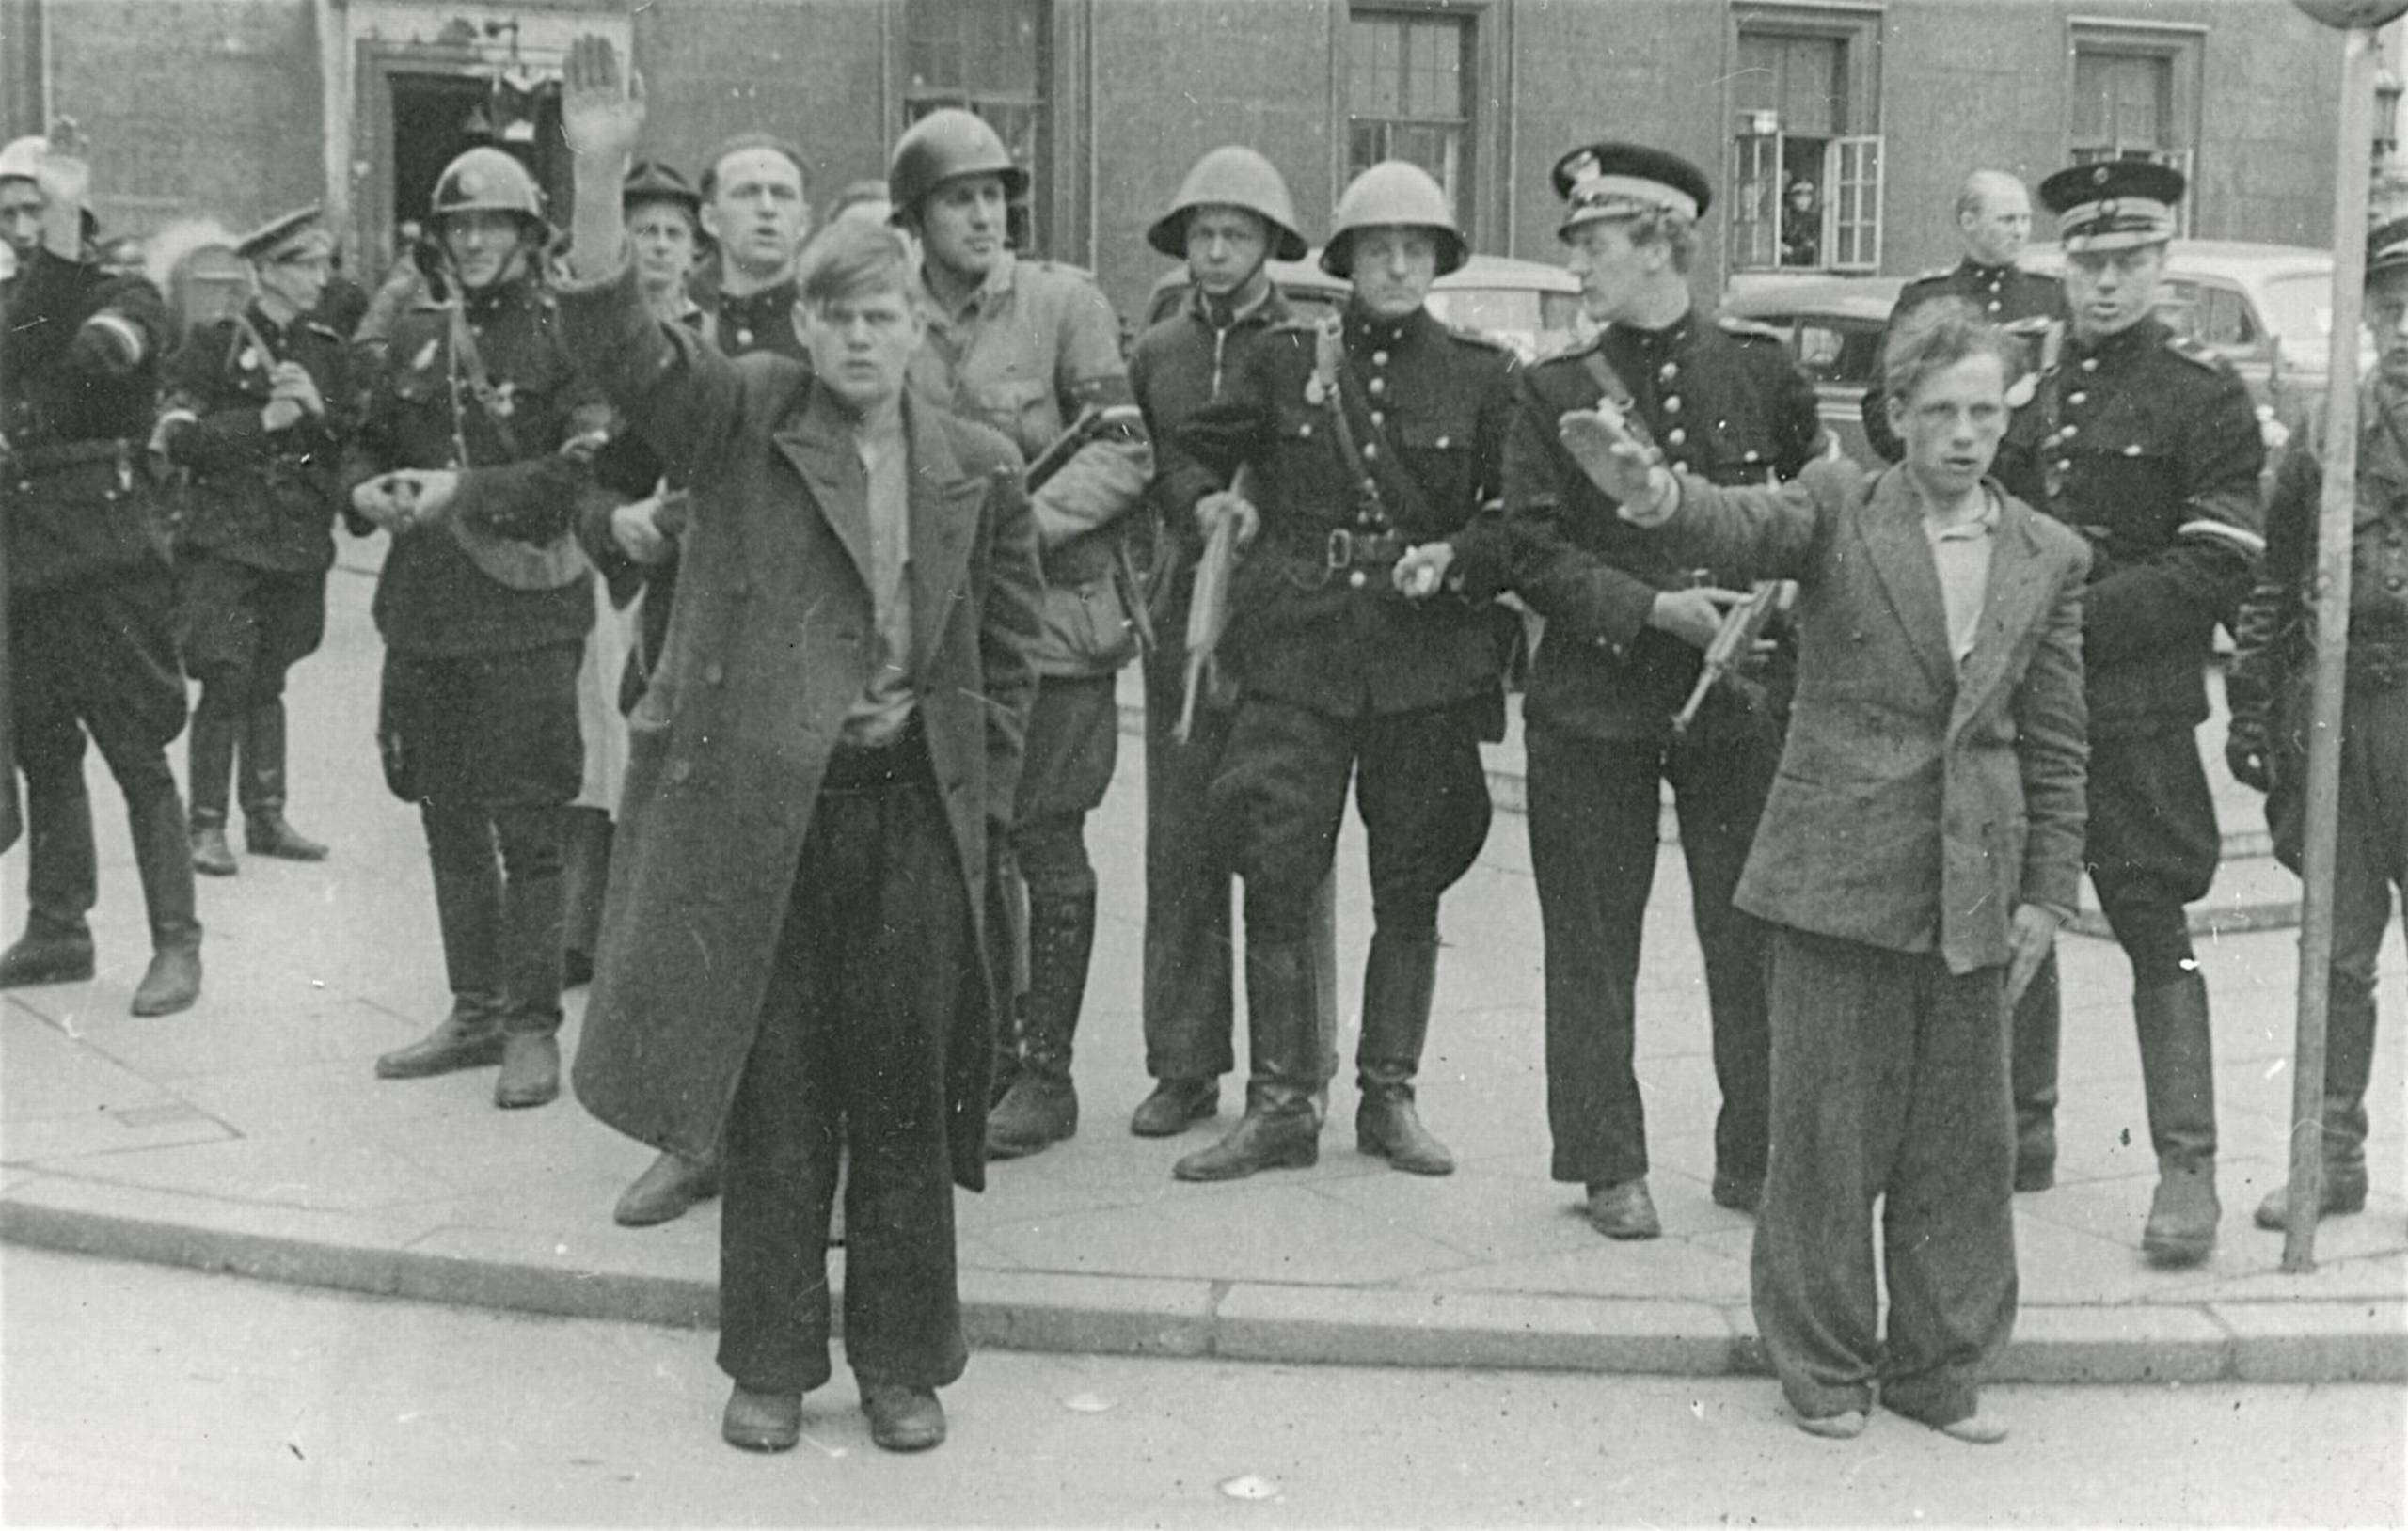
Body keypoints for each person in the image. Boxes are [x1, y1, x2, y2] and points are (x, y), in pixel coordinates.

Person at [555, 36, 1041, 1456]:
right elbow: (624, 349)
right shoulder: (745, 417)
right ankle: (769, 1360)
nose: (859, 340)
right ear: (805, 326)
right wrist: (598, 174)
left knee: (901, 1097)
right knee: (773, 1093)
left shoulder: (975, 468)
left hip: (909, 816)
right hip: (768, 821)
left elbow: (1003, 659)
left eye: (882, 315)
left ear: (917, 325)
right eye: (835, 317)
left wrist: (982, 800)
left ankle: (902, 1362)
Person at [1565, 299, 2089, 1445]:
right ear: (1893, 412)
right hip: (1836, 868)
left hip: (1974, 879)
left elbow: (2055, 739)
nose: (1963, 434)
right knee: (1825, 1134)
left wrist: (2049, 891)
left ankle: (1940, 1371)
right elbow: (1740, 521)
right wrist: (1655, 494)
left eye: (1983, 411)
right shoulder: (1840, 505)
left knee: (1964, 1143)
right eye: (1938, 410)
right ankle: (1822, 1366)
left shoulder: (2049, 553)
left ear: (2008, 417)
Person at [1158, 160, 1516, 1182]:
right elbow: (1182, 452)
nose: (1397, 266)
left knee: (1412, 878)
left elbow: (1515, 517)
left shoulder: (1484, 375)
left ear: (1439, 261)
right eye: (1378, 249)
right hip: (1300, 653)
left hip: (1423, 665)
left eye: (1415, 249)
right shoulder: (1282, 362)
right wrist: (1211, 505)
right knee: (1274, 867)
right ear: (1347, 261)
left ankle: (1388, 1097)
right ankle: (1280, 1103)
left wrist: (1455, 555)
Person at [1501, 142, 1823, 1238]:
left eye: (1592, 242)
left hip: (1738, 700)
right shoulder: (1549, 389)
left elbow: (1814, 512)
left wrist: (1776, 594)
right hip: (1594, 700)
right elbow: (1528, 549)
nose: (1576, 264)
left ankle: (1757, 1154)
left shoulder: (1761, 372)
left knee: (1751, 929)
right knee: (1592, 939)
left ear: (1658, 242)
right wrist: (1648, 608)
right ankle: (1607, 1164)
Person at [890, 107, 1153, 1161]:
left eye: (995, 196)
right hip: (936, 632)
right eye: (959, 199)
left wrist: (1016, 527)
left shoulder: (1062, 305)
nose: (984, 215)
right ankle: (987, 1054)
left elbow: (1124, 450)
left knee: (1048, 841)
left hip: (1052, 627)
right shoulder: (891, 313)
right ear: (916, 217)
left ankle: (1047, 1073)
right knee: (969, 843)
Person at [2028, 160, 2263, 1264]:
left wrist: (2065, 620)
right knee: (2008, 911)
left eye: (2128, 262)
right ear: (2064, 267)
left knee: (2155, 930)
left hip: (2132, 713)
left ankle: (2186, 1168)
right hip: (2022, 711)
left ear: (2162, 264)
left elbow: (2217, 558)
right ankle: (2017, 1129)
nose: (2108, 283)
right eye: (2089, 264)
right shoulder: (2025, 390)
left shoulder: (2201, 396)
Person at [345, 146, 603, 1111]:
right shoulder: (416, 333)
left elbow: (578, 475)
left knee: (529, 828)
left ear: (529, 236)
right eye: (460, 226)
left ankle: (532, 1026)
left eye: (494, 223)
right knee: (445, 816)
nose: (476, 240)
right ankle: (476, 1008)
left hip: (526, 616)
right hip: (427, 616)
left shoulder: (565, 336)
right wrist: (360, 491)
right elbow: (364, 438)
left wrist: (465, 490)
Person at [1125, 146, 1343, 1141]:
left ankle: (1297, 1070)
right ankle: (1182, 1065)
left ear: (1269, 245)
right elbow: (1139, 469)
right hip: (1181, 613)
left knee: (1287, 848)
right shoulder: (1156, 352)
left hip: (1280, 622)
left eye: (1237, 234)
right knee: (1179, 844)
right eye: (1203, 234)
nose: (1217, 251)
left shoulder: (1307, 349)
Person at [2225, 213, 2408, 1233]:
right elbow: (2275, 575)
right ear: (2368, 315)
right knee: (2335, 954)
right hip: (2343, 715)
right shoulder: (2327, 429)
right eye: (2392, 304)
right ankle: (2328, 1158)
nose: (2407, 323)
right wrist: (2252, 705)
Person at [0, 122, 203, 1018]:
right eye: (7, 213)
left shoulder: (122, 293)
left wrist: (59, 279)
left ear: (74, 215)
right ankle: (59, 928)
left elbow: (101, 351)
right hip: (25, 563)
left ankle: (177, 943)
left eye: (36, 211)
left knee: (136, 752)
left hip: (105, 561)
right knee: (44, 749)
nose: (19, 228)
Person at [155, 205, 349, 876]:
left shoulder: (326, 350)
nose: (322, 277)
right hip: (228, 538)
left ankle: (266, 816)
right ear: (267, 271)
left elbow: (351, 442)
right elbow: (177, 439)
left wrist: (318, 413)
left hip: (295, 541)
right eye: (308, 265)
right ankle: (206, 825)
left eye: (325, 263)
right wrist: (263, 421)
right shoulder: (213, 344)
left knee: (270, 676)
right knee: (226, 675)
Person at [1862, 169, 2067, 510]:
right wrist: (1931, 464)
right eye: (2007, 220)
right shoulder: (1925, 297)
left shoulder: (2051, 295)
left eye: (2025, 219)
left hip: (2028, 496)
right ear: (1968, 221)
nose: (2020, 231)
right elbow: (1881, 402)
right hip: (1939, 496)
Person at [1779, 179, 1819, 268]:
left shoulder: (1814, 219)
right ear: (1791, 197)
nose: (1803, 200)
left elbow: (1812, 247)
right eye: (1798, 195)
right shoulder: (1784, 216)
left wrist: (1791, 251)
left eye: (1808, 196)